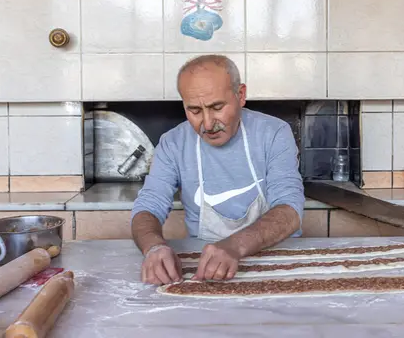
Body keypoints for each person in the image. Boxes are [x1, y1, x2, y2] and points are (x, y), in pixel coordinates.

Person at [130, 54, 305, 285]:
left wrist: (234, 245)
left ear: (240, 95)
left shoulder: (273, 133)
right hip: (203, 266)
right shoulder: (173, 143)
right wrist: (154, 247)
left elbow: (290, 209)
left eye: (217, 107)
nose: (208, 123)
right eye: (194, 111)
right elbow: (148, 206)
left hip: (276, 259)